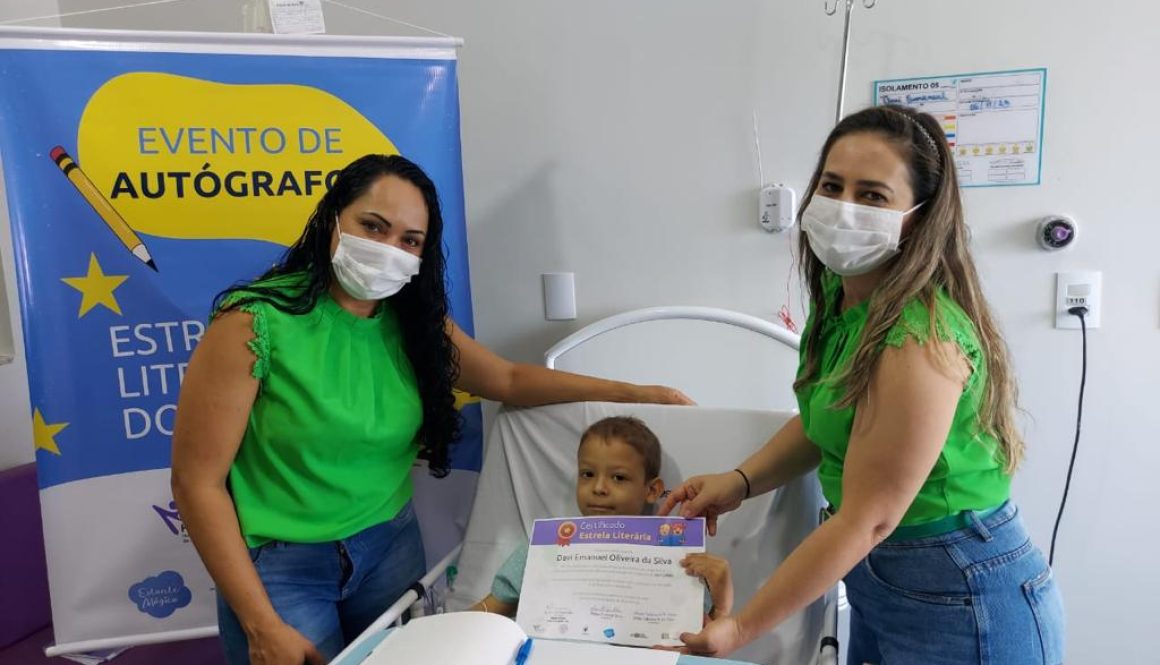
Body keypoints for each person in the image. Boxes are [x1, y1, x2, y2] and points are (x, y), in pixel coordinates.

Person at [171, 154, 693, 665]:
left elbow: (507, 379)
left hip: (389, 548)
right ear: (333, 219)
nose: (388, 249)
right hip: (282, 567)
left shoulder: (413, 322)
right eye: (372, 227)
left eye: (409, 241)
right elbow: (197, 483)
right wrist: (260, 625)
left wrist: (637, 394)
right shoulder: (253, 323)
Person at [659, 106, 1065, 664]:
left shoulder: (918, 339)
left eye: (873, 195)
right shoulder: (842, 302)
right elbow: (835, 418)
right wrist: (741, 480)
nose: (842, 207)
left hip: (962, 593)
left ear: (917, 219)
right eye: (832, 185)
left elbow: (870, 518)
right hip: (885, 580)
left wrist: (739, 631)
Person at [471, 416, 733, 623]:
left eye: (618, 477)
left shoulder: (674, 553)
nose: (598, 488)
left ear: (652, 490)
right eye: (587, 474)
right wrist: (446, 629)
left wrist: (721, 603)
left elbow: (699, 631)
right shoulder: (546, 547)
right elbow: (492, 606)